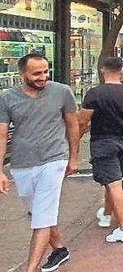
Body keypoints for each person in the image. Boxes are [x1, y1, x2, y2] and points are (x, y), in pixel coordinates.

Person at [0, 54, 79, 272]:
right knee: (37, 213)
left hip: (54, 159)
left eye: (45, 71)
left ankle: (30, 269)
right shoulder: (7, 98)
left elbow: (73, 126)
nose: (43, 77)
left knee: (42, 218)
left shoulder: (62, 92)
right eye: (36, 73)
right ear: (22, 74)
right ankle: (60, 249)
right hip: (21, 164)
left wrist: (73, 158)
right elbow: (1, 135)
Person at [77, 57, 123, 243]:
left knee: (113, 184)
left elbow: (82, 121)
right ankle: (106, 214)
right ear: (121, 71)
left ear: (102, 71)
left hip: (103, 143)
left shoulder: (94, 94)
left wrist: (76, 139)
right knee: (114, 180)